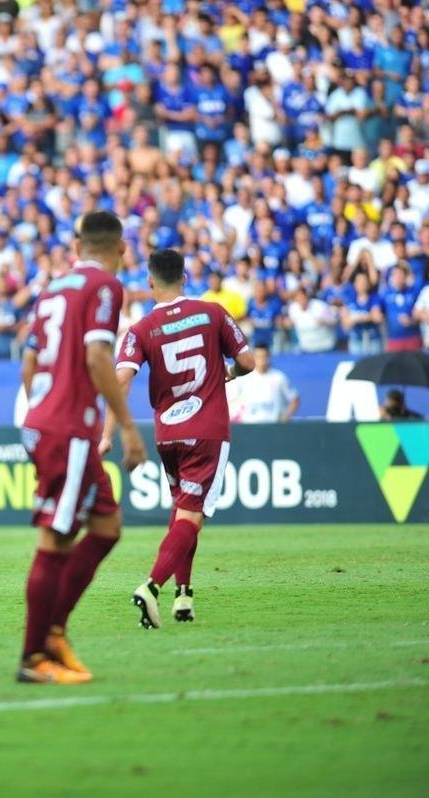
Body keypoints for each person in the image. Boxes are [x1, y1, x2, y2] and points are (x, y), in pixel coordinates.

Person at [18, 211, 146, 685]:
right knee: (56, 537)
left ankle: (53, 632)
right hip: (67, 429)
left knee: (107, 526)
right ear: (121, 248)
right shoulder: (107, 287)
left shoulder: (53, 288)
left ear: (78, 246)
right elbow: (96, 356)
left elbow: (29, 361)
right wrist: (128, 428)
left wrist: (40, 408)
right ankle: (34, 657)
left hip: (50, 422)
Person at [109, 248, 255, 628]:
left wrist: (107, 432)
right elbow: (248, 362)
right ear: (186, 279)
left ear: (150, 283)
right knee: (191, 514)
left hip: (167, 435)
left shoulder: (140, 329)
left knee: (184, 512)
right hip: (206, 431)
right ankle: (152, 587)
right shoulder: (213, 312)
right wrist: (230, 373)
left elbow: (120, 380)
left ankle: (183, 596)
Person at [231, 344, 300, 423]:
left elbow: (295, 399)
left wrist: (286, 416)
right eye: (259, 356)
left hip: (273, 426)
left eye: (264, 356)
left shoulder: (279, 377)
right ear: (253, 357)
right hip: (249, 425)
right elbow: (232, 401)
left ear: (269, 357)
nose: (262, 360)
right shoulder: (243, 377)